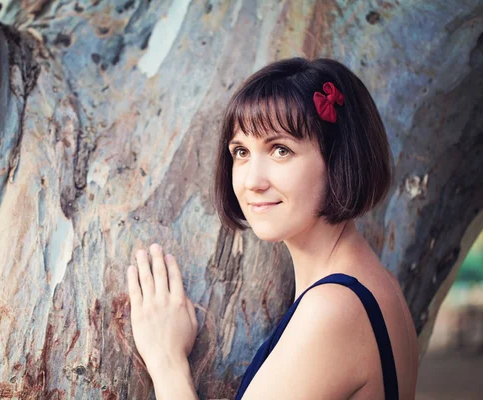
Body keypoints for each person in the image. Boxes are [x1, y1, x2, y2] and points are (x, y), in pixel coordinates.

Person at [126, 57, 419, 399]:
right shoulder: (380, 284)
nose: (252, 180)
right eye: (241, 151)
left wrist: (166, 360)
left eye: (281, 150)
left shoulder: (334, 309)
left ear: (340, 160)